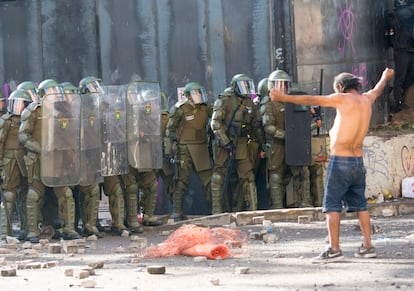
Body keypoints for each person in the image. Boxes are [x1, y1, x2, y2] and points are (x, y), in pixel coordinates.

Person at [270, 67, 394, 262]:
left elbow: (313, 100)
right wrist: (385, 76)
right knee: (361, 205)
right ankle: (368, 246)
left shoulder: (342, 99)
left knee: (332, 206)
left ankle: (334, 249)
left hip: (341, 161)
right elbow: (378, 89)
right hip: (357, 162)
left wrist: (284, 98)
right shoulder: (367, 99)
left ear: (339, 87)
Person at [210, 74, 264, 213]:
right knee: (219, 176)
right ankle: (217, 211)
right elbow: (215, 123)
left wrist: (262, 143)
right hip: (224, 142)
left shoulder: (249, 102)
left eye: (247, 85)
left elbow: (256, 124)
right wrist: (225, 142)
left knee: (248, 176)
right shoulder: (225, 99)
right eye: (242, 86)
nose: (245, 89)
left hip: (241, 142)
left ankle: (253, 210)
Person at [164, 82, 213, 221]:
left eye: (199, 93)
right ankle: (176, 212)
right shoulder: (179, 109)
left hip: (201, 147)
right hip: (184, 149)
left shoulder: (205, 108)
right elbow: (169, 130)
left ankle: (216, 210)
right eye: (195, 93)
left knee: (209, 181)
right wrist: (168, 150)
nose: (198, 96)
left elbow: (218, 114)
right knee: (181, 181)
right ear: (188, 96)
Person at [0, 89, 32, 240]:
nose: (18, 107)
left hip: (24, 160)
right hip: (9, 161)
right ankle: (5, 232)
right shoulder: (7, 120)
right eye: (16, 103)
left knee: (26, 194)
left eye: (21, 104)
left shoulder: (30, 118)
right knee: (9, 195)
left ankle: (28, 229)